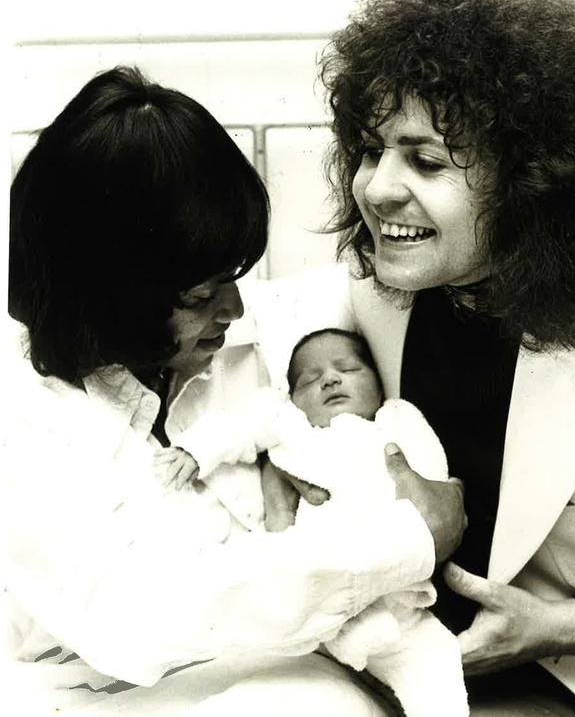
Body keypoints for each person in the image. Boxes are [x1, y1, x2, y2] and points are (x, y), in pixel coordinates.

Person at [2, 66, 466, 716]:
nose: (234, 306)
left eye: (234, 275)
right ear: (110, 301)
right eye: (200, 294)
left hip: (287, 675)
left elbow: (421, 272)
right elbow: (138, 618)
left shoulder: (264, 332)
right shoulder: (21, 417)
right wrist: (408, 539)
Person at [262, 0, 575, 715]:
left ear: (533, 181)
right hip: (389, 651)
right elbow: (269, 337)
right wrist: (277, 467)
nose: (375, 189)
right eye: (372, 151)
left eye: (426, 160)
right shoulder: (381, 284)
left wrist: (565, 625)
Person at [155, 326, 469, 716]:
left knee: (436, 665)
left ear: (378, 380)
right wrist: (195, 452)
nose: (331, 379)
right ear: (294, 398)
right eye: (311, 379)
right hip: (312, 585)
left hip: (397, 594)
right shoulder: (292, 427)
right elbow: (241, 424)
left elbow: (430, 472)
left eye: (349, 369)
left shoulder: (395, 419)